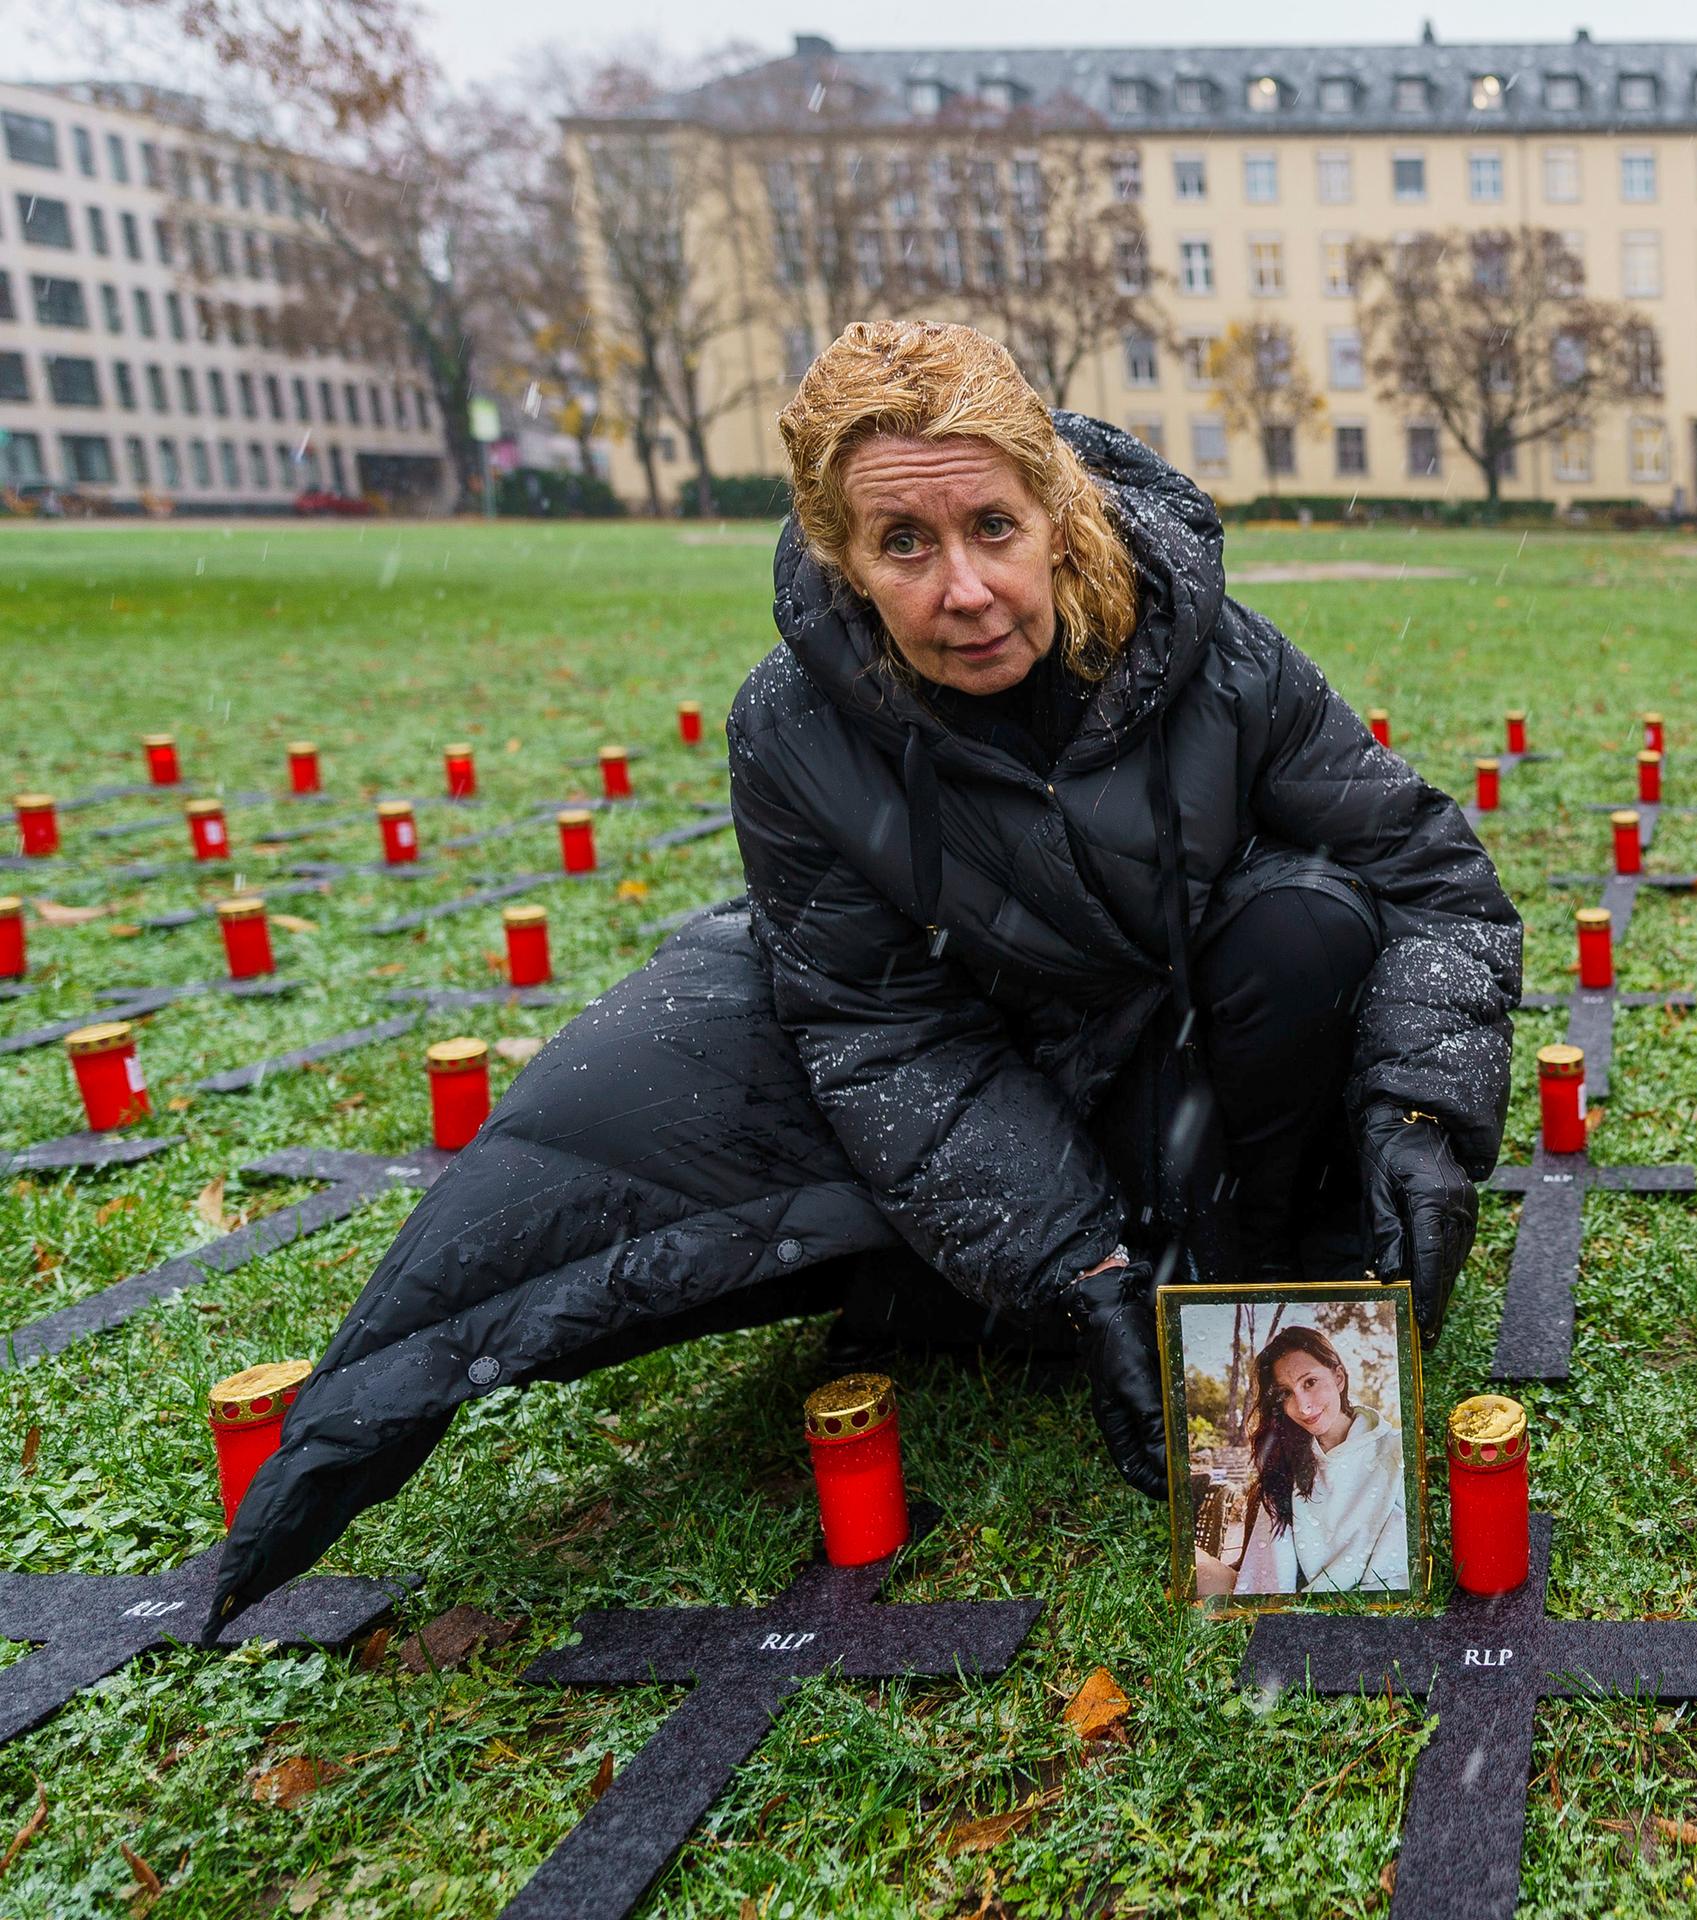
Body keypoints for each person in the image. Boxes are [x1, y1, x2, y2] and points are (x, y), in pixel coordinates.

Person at [205, 320, 1519, 1631]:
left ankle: (1248, 1254)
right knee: (668, 1110)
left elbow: (1428, 876)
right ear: (842, 556)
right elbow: (880, 1028)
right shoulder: (791, 731)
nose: (965, 591)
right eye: (905, 545)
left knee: (1309, 924)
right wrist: (1084, 1272)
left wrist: (1417, 1120)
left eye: (993, 528)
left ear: (1055, 513)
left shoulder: (1217, 651)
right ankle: (1094, 1272)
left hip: (1216, 1067)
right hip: (1011, 1082)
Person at [1229, 1326, 1408, 1595]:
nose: (1303, 1407)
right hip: (1297, 1608)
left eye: (1309, 1382)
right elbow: (1268, 1580)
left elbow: (1399, 1572)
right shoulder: (1284, 1463)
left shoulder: (1397, 1449)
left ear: (1338, 1377)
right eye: (1286, 1393)